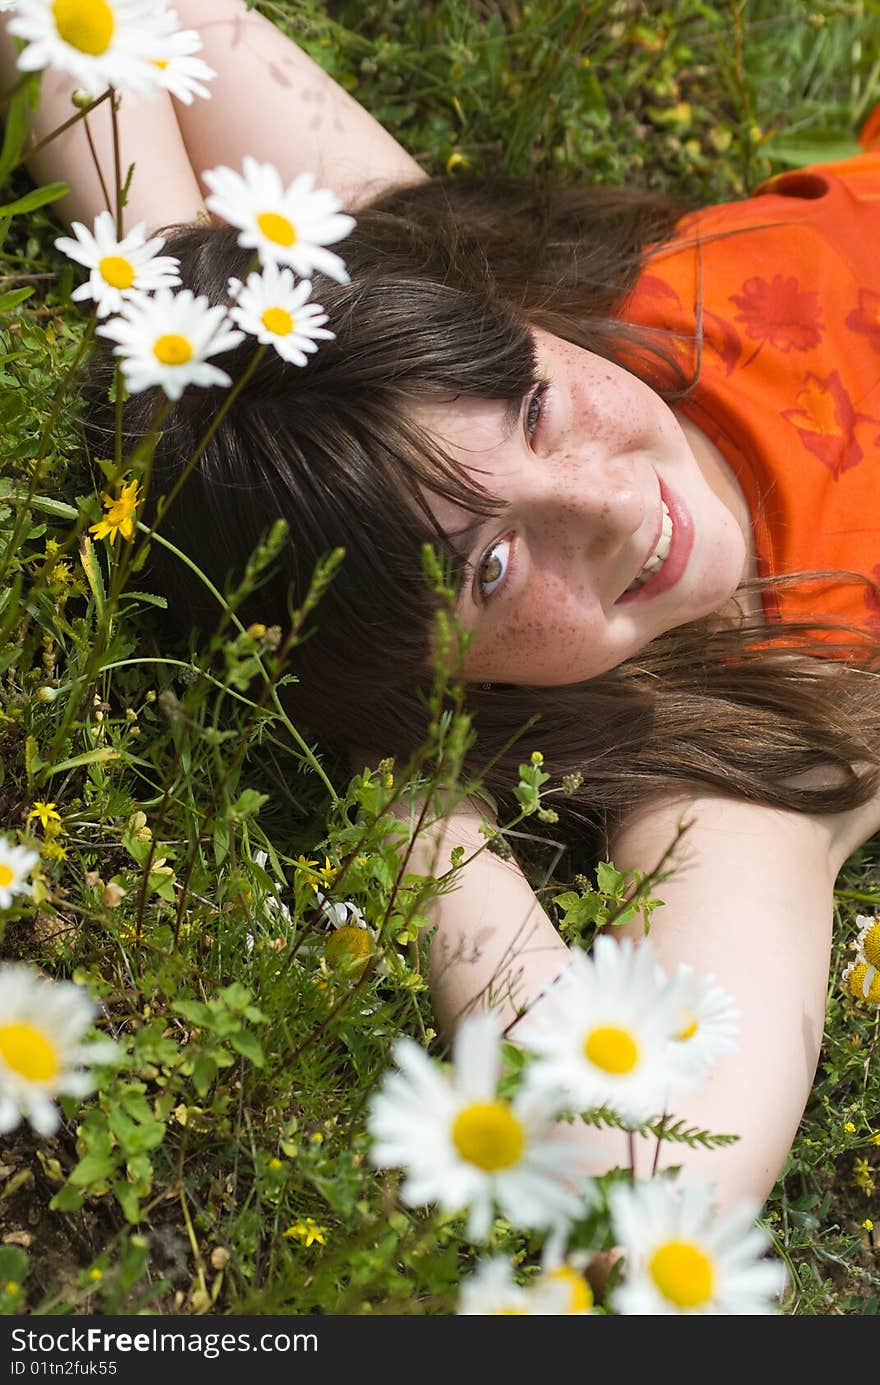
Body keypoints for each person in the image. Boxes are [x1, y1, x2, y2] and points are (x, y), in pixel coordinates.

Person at [6, 0, 880, 1215]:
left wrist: (170, 318)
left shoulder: (531, 310)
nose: (613, 506)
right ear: (437, 676)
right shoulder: (761, 740)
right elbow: (648, 1173)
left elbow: (118, 18)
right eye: (491, 570)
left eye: (530, 408)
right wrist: (415, 780)